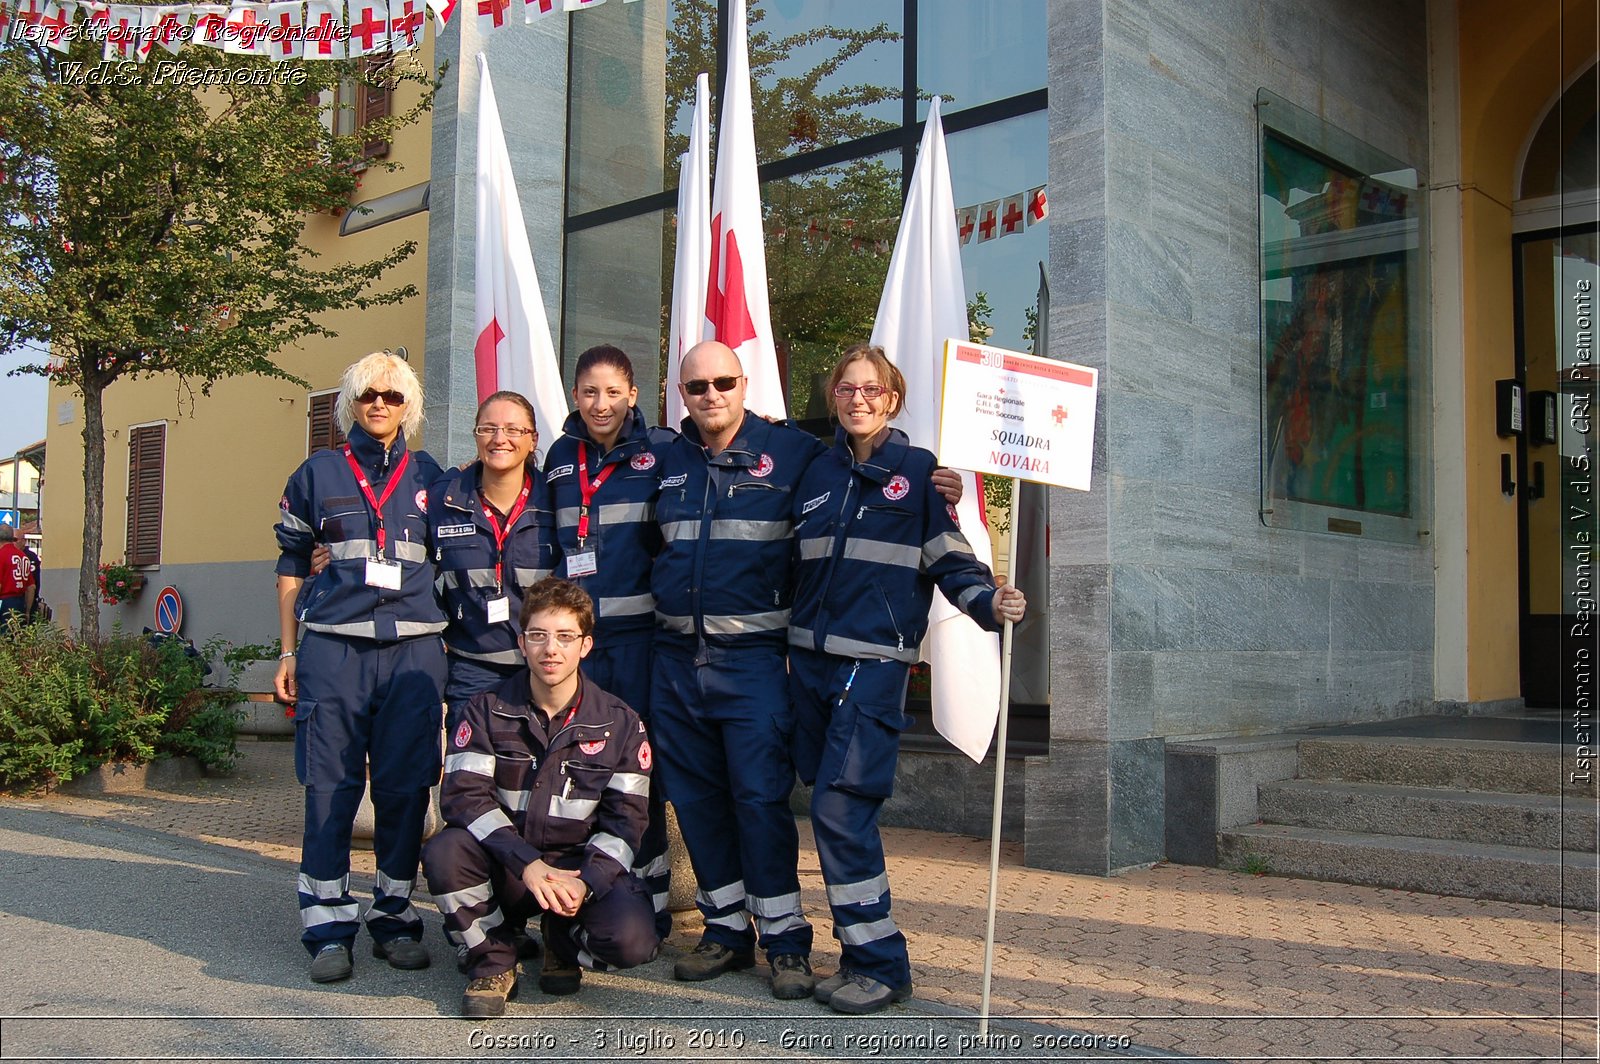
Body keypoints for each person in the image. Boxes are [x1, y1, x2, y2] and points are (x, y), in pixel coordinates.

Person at [788, 344, 1026, 1015]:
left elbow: (951, 561)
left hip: (873, 667)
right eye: (846, 389)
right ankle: (857, 953)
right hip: (805, 667)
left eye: (873, 390)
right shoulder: (814, 471)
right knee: (820, 806)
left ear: (892, 399)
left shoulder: (920, 473)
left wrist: (990, 605)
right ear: (833, 396)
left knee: (841, 809)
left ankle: (883, 964)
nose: (858, 400)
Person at [273, 351, 448, 984]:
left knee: (405, 790)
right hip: (333, 652)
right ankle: (326, 923)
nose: (380, 404)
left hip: (414, 653)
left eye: (393, 396)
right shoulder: (316, 473)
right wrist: (287, 651)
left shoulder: (434, 476)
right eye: (369, 394)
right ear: (351, 402)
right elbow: (292, 563)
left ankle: (395, 916)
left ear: (409, 407)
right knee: (330, 789)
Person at [422, 577, 657, 1018]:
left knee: (633, 943)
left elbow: (626, 824)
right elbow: (463, 799)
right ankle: (493, 959)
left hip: (577, 874)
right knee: (445, 851)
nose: (552, 649)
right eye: (539, 636)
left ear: (585, 646)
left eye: (565, 637)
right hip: (510, 868)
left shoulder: (621, 724)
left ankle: (559, 940)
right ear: (522, 642)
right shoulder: (485, 709)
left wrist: (585, 883)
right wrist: (527, 864)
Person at [544, 344, 675, 938]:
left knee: (642, 770)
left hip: (642, 640)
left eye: (613, 392)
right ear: (575, 395)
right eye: (590, 392)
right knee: (582, 765)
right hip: (582, 648)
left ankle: (653, 891)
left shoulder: (664, 451)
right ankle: (588, 884)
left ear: (633, 394)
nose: (601, 404)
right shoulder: (556, 458)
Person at [0, 526, 35, 627]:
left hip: (4, 602)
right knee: (16, 636)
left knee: (4, 638)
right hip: (20, 602)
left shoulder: (1, 555)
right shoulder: (23, 557)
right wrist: (27, 611)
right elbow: (31, 587)